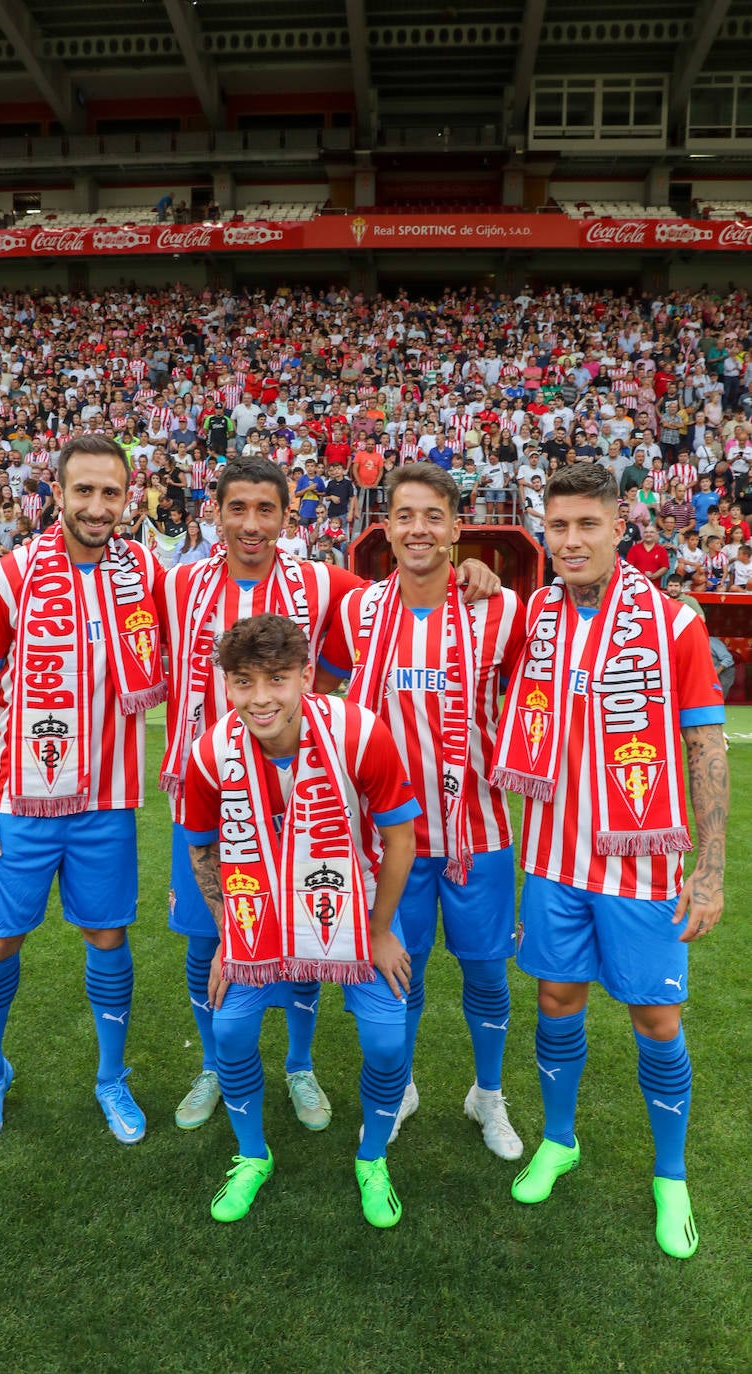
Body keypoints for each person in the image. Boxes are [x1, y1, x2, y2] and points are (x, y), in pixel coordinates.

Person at [161, 456, 498, 1133]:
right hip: (210, 794)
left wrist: (468, 571)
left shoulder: (323, 583)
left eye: (267, 510)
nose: (251, 524)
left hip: (308, 805)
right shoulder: (173, 585)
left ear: (290, 516)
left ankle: (300, 1063)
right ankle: (212, 1064)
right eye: (237, 508)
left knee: (313, 924)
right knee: (211, 942)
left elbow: (405, 589)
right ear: (215, 512)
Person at [491, 462, 728, 1259]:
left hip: (642, 868)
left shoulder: (674, 621)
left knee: (655, 1019)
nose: (571, 541)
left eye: (587, 524)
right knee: (556, 1001)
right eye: (557, 526)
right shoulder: (532, 615)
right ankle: (560, 1140)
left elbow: (704, 744)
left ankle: (670, 1175)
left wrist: (712, 869)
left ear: (619, 525)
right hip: (555, 861)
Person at [0, 435, 167, 1150]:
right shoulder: (9, 577)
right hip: (20, 802)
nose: (99, 506)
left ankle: (111, 1078)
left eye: (112, 493)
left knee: (107, 937)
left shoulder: (146, 576)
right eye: (85, 491)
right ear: (56, 494)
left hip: (107, 802)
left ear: (127, 497)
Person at [316, 464, 526, 1159]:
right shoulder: (357, 610)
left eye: (433, 516)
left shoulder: (501, 611)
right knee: (398, 974)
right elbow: (327, 701)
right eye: (404, 515)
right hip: (389, 841)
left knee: (487, 974)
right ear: (386, 527)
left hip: (479, 832)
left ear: (456, 528)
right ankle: (397, 1086)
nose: (418, 529)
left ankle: (486, 1095)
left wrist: (488, 577)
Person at [182, 613, 419, 1227]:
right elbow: (202, 847)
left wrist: (379, 926)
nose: (260, 699)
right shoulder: (210, 751)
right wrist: (225, 930)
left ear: (307, 676)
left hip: (352, 906)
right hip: (257, 914)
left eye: (278, 679)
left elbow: (401, 839)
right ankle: (251, 1154)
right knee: (230, 1033)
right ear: (225, 683)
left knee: (389, 1039)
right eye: (243, 682)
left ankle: (371, 1159)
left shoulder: (358, 730)